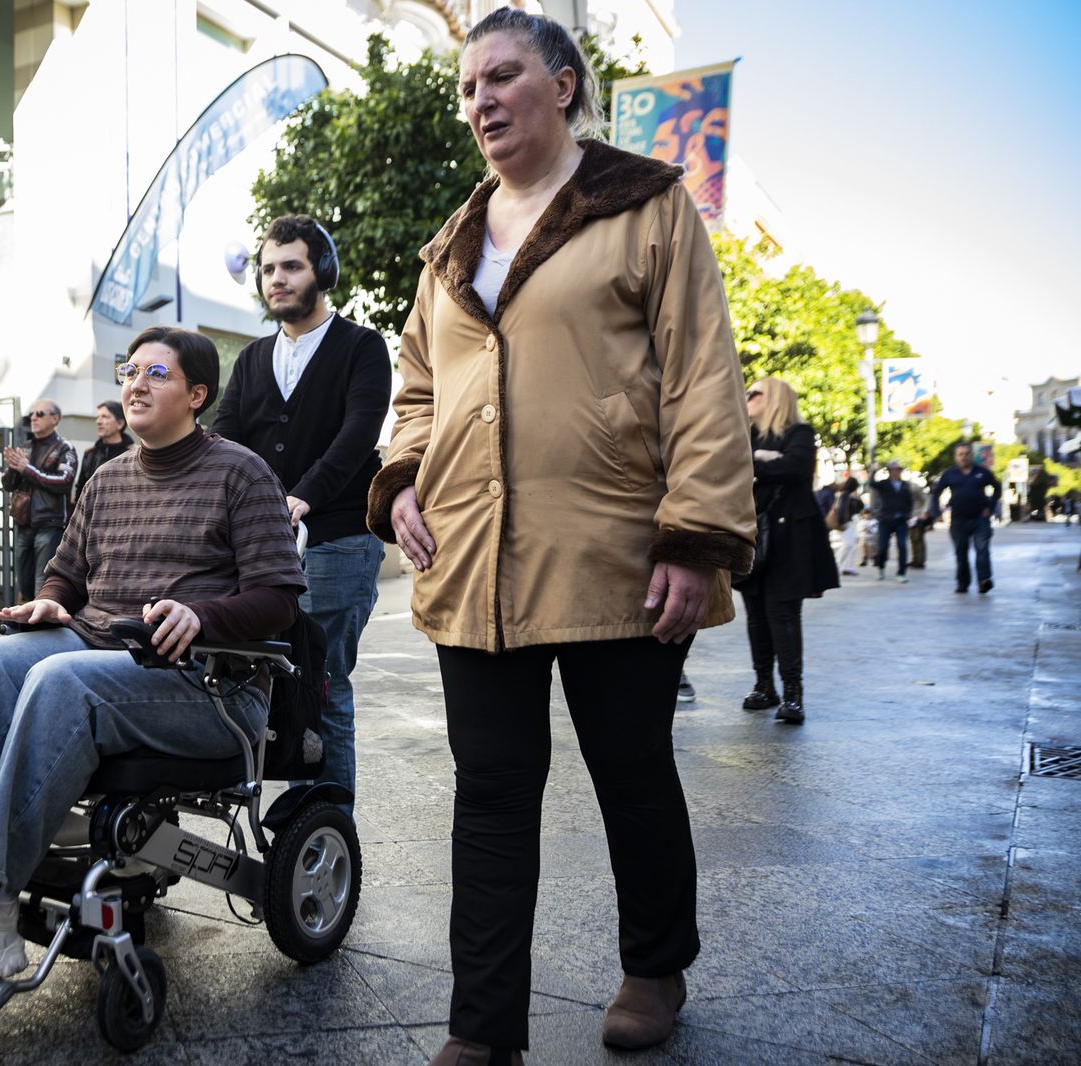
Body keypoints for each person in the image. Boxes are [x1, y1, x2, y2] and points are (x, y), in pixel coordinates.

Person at [363, 11, 756, 1060]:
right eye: (467, 87)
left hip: (613, 553)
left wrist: (695, 535)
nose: (480, 100)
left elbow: (703, 381)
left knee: (631, 768)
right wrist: (401, 476)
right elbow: (415, 385)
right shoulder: (447, 243)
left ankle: (654, 964)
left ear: (566, 85)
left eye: (502, 77)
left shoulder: (646, 206)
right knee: (491, 792)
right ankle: (482, 1028)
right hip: (470, 561)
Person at [0, 326, 304, 990]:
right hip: (101, 651)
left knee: (62, 681)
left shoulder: (240, 471)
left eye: (156, 374)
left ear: (197, 394)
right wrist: (52, 602)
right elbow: (66, 573)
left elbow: (279, 597)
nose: (135, 384)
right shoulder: (107, 478)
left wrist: (202, 615)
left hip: (208, 684)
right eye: (129, 370)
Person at [212, 213, 393, 808]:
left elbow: (358, 434)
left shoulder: (361, 346)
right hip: (260, 547)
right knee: (263, 683)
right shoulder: (253, 358)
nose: (276, 278)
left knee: (322, 685)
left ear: (323, 272)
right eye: (268, 269)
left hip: (338, 538)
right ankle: (288, 829)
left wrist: (302, 495)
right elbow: (227, 438)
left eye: (291, 265)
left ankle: (327, 828)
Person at [736, 378, 840, 725]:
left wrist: (757, 464)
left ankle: (793, 694)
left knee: (782, 613)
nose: (747, 397)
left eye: (754, 392)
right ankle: (764, 686)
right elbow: (733, 465)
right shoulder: (747, 436)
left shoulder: (800, 431)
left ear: (775, 398)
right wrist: (761, 458)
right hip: (754, 534)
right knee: (756, 613)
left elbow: (795, 467)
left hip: (790, 536)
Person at [2, 398, 77, 603]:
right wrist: (11, 468)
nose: (33, 418)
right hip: (23, 523)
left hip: (49, 524)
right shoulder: (25, 447)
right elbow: (8, 485)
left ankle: (40, 627)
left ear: (55, 419)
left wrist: (28, 469)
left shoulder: (64, 448)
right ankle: (24, 626)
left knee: (42, 582)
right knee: (23, 581)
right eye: (32, 414)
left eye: (40, 414)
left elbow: (64, 482)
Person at [927, 442, 1001, 594]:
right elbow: (936, 493)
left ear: (971, 456)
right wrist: (936, 511)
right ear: (956, 457)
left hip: (980, 518)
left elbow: (997, 488)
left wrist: (991, 507)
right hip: (958, 519)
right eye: (960, 454)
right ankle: (963, 582)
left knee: (982, 550)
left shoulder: (982, 472)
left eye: (967, 454)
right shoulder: (949, 474)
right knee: (961, 553)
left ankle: (984, 580)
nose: (964, 457)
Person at [73, 400, 133, 501]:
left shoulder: (133, 454)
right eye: (97, 417)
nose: (98, 421)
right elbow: (80, 491)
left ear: (120, 423)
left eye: (105, 417)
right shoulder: (90, 453)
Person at [871, 460, 913, 582]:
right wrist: (873, 470)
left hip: (901, 520)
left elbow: (909, 501)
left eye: (898, 469)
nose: (896, 472)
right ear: (889, 471)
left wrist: (907, 514)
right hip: (885, 520)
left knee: (902, 545)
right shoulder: (884, 484)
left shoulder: (905, 485)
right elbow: (871, 483)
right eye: (894, 469)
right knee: (882, 547)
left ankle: (901, 573)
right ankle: (881, 567)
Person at [832, 476, 863, 576]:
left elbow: (858, 507)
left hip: (847, 522)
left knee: (851, 544)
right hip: (845, 522)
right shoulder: (845, 494)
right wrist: (842, 522)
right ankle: (837, 565)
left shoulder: (847, 495)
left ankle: (847, 567)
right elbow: (841, 509)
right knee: (849, 544)